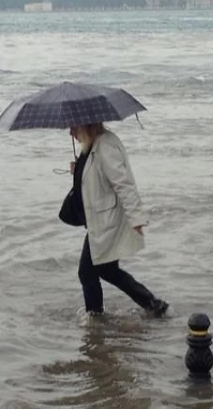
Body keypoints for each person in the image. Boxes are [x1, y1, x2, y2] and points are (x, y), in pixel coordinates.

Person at [68, 123, 169, 317]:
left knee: (87, 272)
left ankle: (95, 317)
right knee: (107, 270)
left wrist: (136, 218)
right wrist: (78, 172)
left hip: (108, 221)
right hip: (101, 221)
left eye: (73, 127)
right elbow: (96, 179)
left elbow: (124, 184)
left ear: (85, 126)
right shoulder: (91, 147)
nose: (70, 132)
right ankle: (154, 305)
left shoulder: (105, 146)